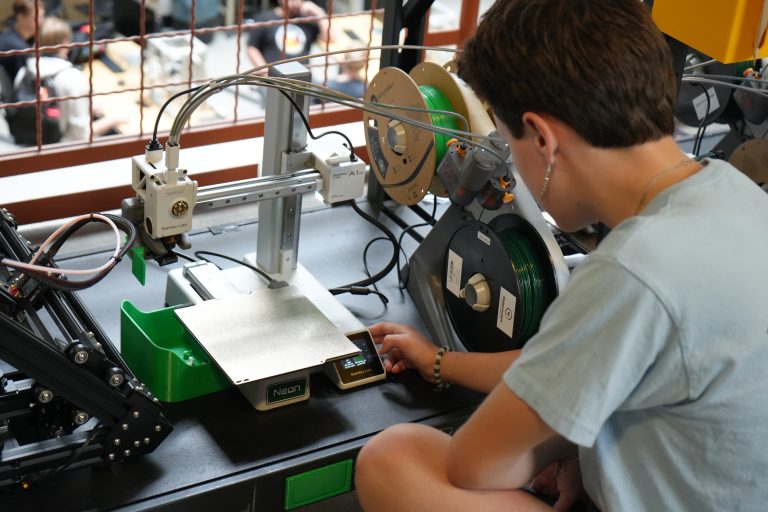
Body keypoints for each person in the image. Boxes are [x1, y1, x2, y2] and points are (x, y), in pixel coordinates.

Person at [354, 1, 768, 511]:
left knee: (391, 458)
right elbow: (577, 364)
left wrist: (552, 447)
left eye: (511, 145)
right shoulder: (738, 194)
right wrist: (443, 363)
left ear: (542, 138)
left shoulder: (633, 270)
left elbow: (477, 465)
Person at [14, 16, 126, 143]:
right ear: (65, 43)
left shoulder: (24, 71)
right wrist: (113, 120)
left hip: (29, 142)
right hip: (62, 147)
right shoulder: (72, 78)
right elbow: (81, 136)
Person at [246, 0, 330, 76]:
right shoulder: (265, 18)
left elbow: (329, 38)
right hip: (274, 79)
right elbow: (252, 47)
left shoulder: (307, 21)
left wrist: (318, 12)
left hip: (301, 78)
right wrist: (266, 73)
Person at [0, 0, 45, 89]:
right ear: (21, 17)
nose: (41, 22)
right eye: (37, 17)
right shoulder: (16, 47)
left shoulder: (10, 35)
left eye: (42, 16)